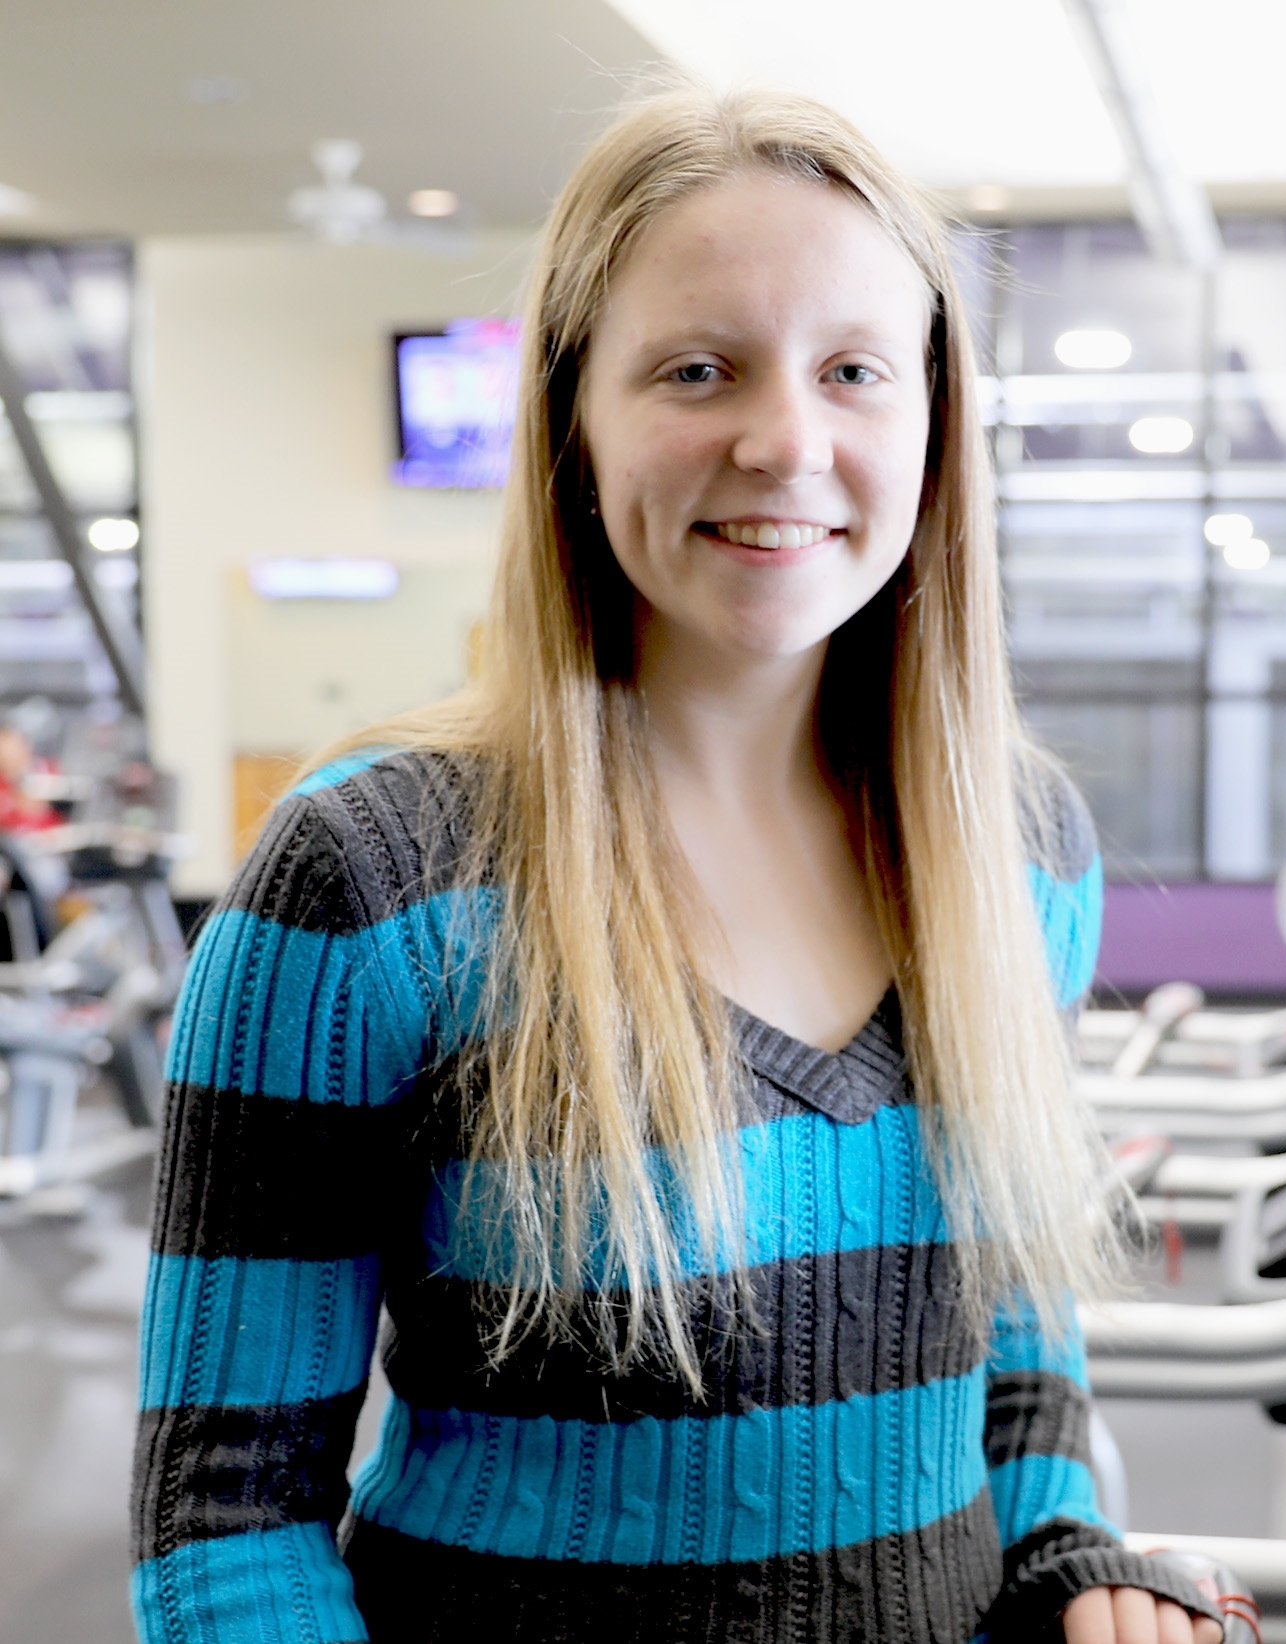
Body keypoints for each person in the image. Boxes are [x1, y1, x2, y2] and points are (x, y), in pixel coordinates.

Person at [131, 86, 1224, 1644]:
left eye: (856, 371)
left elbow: (1015, 1349)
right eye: (698, 370)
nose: (786, 442)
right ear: (573, 420)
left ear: (929, 420)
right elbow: (224, 1516)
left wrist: (1071, 1552)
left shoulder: (1016, 850)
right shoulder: (370, 879)